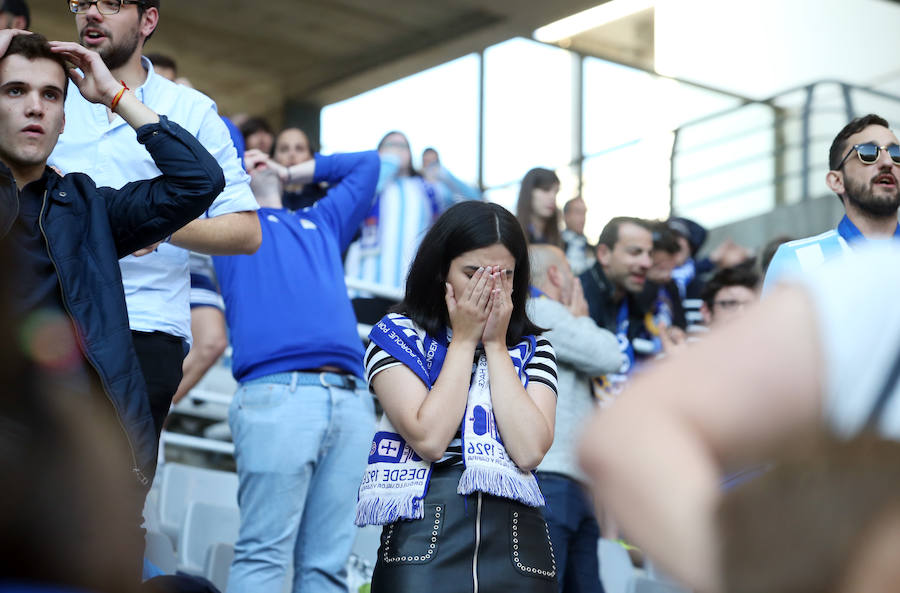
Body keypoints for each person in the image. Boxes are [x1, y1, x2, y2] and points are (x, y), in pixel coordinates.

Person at [0, 28, 224, 580]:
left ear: (65, 115)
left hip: (79, 461)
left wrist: (114, 95)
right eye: (14, 91)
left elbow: (199, 182)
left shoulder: (85, 206)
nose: (35, 106)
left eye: (51, 95)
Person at [578, 242, 900, 593]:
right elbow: (625, 435)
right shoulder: (879, 284)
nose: (738, 314)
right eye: (728, 304)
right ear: (706, 312)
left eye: (746, 306)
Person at [50, 0, 261, 439]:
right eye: (81, 2)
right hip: (51, 316)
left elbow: (246, 231)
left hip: (144, 325)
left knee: (118, 498)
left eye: (110, 3)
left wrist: (157, 224)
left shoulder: (192, 108)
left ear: (148, 20)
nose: (91, 13)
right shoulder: (47, 91)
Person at [355, 201, 559, 593]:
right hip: (427, 533)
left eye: (505, 275)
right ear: (440, 270)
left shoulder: (535, 348)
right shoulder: (397, 334)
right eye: (473, 273)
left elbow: (530, 449)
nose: (489, 288)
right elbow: (430, 438)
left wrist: (497, 347)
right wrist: (464, 340)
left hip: (518, 543)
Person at [213, 147, 379, 593]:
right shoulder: (227, 225)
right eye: (247, 156)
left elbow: (368, 164)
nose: (257, 156)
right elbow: (211, 135)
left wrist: (289, 172)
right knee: (263, 555)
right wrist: (241, 170)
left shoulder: (321, 220)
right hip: (275, 393)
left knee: (327, 567)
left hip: (350, 400)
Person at [528, 244, 623, 593]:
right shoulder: (541, 309)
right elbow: (611, 354)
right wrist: (582, 317)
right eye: (570, 271)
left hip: (569, 482)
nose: (575, 280)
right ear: (556, 275)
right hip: (552, 480)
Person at [763, 114, 900, 292]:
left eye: (896, 153)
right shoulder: (796, 260)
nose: (887, 162)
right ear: (836, 181)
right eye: (867, 152)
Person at [344, 130, 470, 325]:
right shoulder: (366, 183)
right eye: (390, 146)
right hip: (366, 289)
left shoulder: (426, 188)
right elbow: (352, 203)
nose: (397, 151)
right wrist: (386, 165)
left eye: (402, 146)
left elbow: (473, 201)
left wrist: (443, 174)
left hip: (409, 295)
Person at [579, 216, 656, 396]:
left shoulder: (640, 298)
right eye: (635, 252)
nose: (647, 263)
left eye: (649, 254)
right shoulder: (576, 297)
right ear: (604, 254)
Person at [272, 125, 327, 210]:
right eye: (284, 149)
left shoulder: (325, 198)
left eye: (299, 149)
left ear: (311, 157)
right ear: (273, 158)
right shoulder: (261, 200)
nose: (292, 154)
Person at [516, 166, 562, 246]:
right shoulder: (512, 234)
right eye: (546, 189)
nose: (553, 197)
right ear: (528, 192)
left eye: (556, 192)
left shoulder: (558, 237)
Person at [561, 196, 594, 275]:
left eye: (584, 213)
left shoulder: (592, 249)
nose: (582, 218)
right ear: (566, 216)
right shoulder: (555, 243)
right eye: (578, 212)